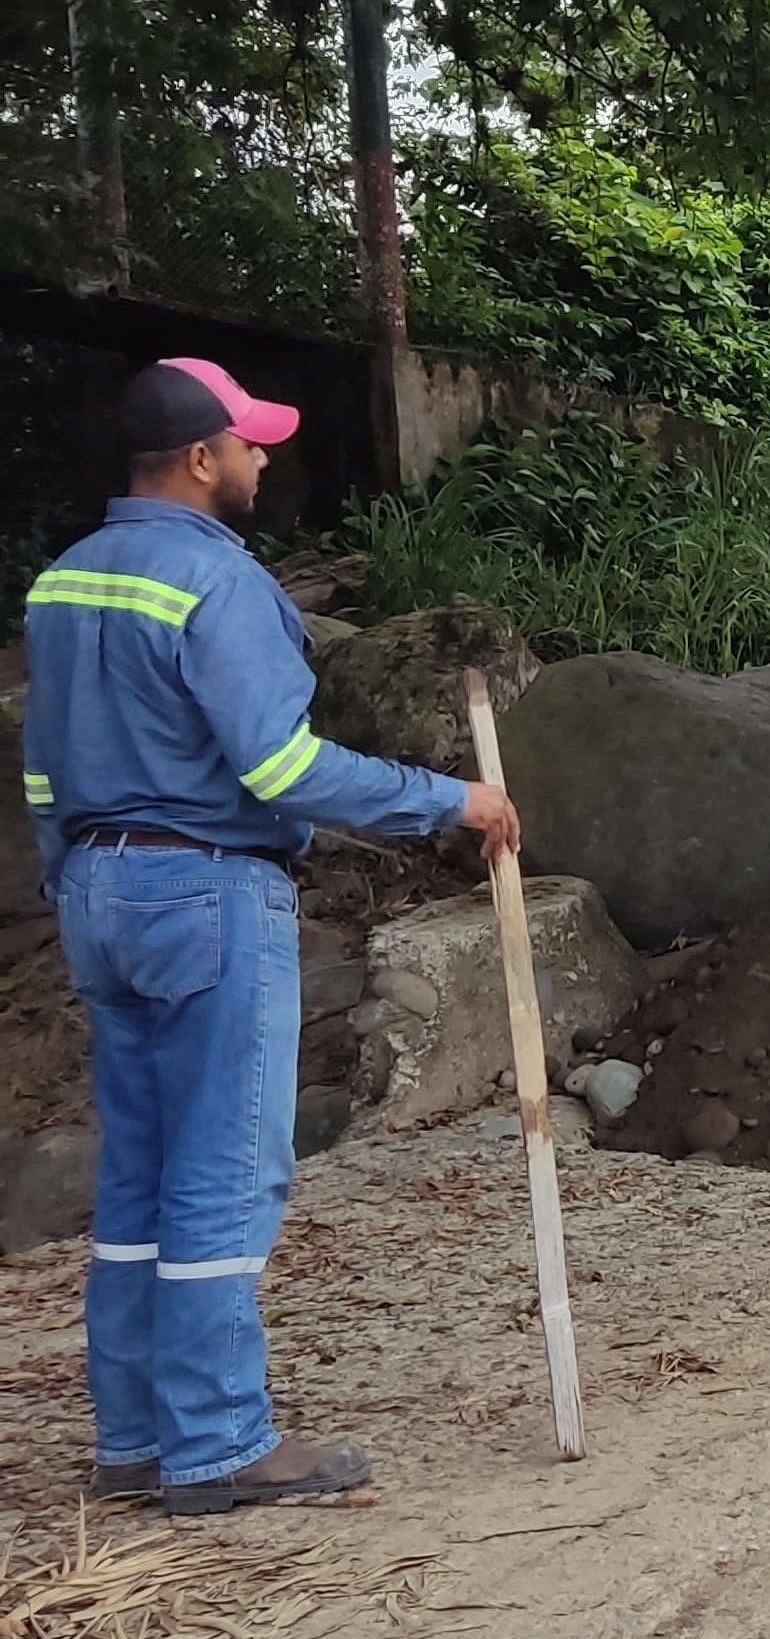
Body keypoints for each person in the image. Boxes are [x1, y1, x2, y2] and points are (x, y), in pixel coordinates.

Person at [20, 358, 522, 1515]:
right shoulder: (219, 581)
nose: (262, 457)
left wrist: (74, 879)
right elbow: (282, 766)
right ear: (201, 459)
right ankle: (216, 1442)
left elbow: (43, 769)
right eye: (249, 442)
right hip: (206, 890)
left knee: (139, 1175)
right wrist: (448, 800)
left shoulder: (63, 582)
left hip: (96, 890)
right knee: (224, 1170)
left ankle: (133, 1437)